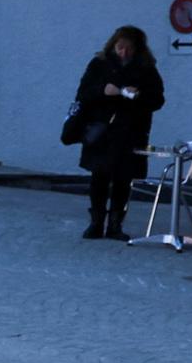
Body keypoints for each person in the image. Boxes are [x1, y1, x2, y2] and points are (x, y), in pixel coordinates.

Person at [69, 23, 165, 240]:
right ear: (113, 45)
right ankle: (96, 223)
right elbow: (83, 94)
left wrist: (138, 95)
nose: (124, 53)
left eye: (129, 49)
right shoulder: (100, 64)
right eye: (120, 47)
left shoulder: (146, 68)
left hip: (131, 131)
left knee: (124, 178)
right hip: (102, 130)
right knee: (99, 176)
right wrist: (104, 91)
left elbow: (158, 99)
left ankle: (115, 225)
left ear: (137, 49)